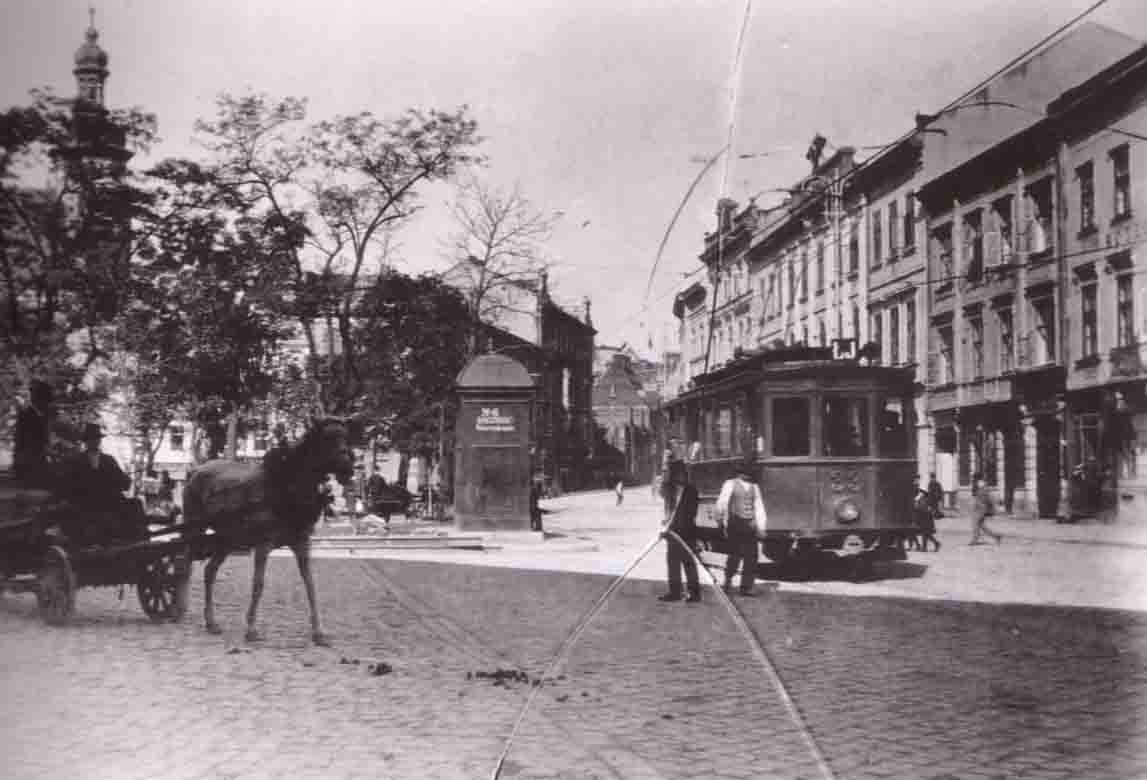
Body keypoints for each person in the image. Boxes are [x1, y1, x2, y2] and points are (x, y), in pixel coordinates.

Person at [58, 423, 138, 542]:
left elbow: (121, 480)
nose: (94, 442)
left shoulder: (109, 460)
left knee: (135, 504)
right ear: (86, 441)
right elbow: (69, 483)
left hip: (108, 499)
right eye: (91, 439)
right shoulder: (76, 460)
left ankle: (135, 538)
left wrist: (126, 480)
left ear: (99, 441)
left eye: (96, 439)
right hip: (85, 501)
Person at [715, 457, 767, 596]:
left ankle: (746, 587)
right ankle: (728, 580)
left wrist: (761, 527)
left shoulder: (755, 487)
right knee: (734, 555)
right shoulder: (730, 484)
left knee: (752, 557)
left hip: (750, 526)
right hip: (736, 525)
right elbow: (722, 503)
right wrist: (720, 520)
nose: (747, 475)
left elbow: (759, 508)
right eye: (745, 472)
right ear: (740, 472)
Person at [658, 458, 701, 603]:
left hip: (687, 531)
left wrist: (677, 526)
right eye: (677, 474)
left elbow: (691, 513)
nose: (680, 477)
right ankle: (675, 592)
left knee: (689, 562)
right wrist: (666, 527)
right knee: (672, 562)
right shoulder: (669, 490)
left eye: (682, 474)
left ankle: (694, 593)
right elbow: (665, 504)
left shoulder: (691, 491)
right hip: (672, 531)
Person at [12, 381, 59, 488]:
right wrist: (47, 450)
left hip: (39, 461)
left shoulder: (44, 415)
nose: (48, 404)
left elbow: (46, 438)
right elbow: (24, 442)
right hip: (28, 464)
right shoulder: (26, 415)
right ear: (40, 400)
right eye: (47, 401)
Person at [970, 472, 1003, 545]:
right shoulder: (980, 485)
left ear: (977, 478)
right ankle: (996, 536)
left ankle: (975, 539)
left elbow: (985, 497)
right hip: (980, 507)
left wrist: (988, 507)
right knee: (981, 525)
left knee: (975, 523)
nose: (973, 479)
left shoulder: (981, 485)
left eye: (974, 478)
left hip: (980, 508)